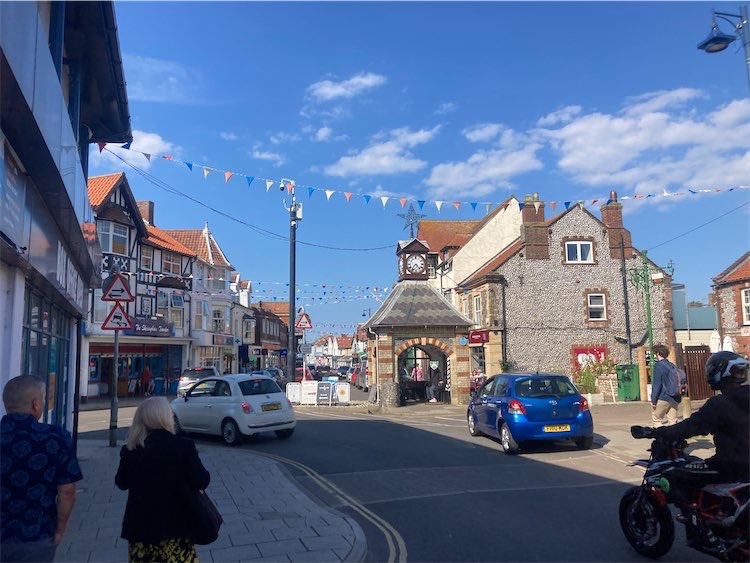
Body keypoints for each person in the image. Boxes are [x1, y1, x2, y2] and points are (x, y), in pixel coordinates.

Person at [115, 397, 211, 562]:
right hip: (176, 530)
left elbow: (121, 483)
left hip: (140, 531)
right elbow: (202, 481)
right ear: (165, 417)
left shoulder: (131, 450)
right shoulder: (183, 446)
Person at [0, 375, 83, 563]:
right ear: (36, 404)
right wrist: (60, 529)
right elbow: (67, 492)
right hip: (37, 535)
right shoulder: (56, 438)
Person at [654, 351, 749, 482]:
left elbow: (692, 426)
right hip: (742, 472)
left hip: (731, 467)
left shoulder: (720, 404)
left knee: (675, 473)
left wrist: (658, 432)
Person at [650, 344, 680, 427]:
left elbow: (657, 384)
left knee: (657, 419)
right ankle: (675, 439)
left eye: (656, 353)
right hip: (675, 397)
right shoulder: (672, 365)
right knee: (673, 421)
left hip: (663, 397)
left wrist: (653, 400)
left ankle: (661, 438)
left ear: (658, 353)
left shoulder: (658, 366)